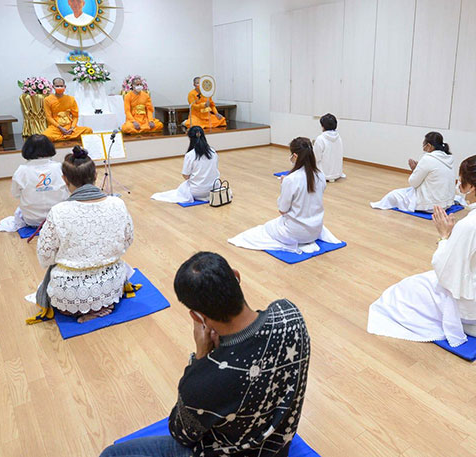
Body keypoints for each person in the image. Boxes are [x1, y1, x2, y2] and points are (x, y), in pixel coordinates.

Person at [99, 251, 310, 457]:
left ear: (197, 317)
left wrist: (200, 358)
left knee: (111, 454)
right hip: (278, 448)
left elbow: (181, 433)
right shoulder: (290, 315)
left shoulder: (203, 380)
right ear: (236, 276)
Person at [367, 155, 476, 346]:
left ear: (470, 187)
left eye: (461, 179)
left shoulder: (470, 225)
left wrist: (444, 235)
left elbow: (445, 270)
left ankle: (466, 322)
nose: (458, 183)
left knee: (401, 292)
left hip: (469, 307)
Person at [35, 146, 134, 321]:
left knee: (58, 291)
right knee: (123, 267)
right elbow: (127, 241)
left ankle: (85, 310)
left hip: (71, 293)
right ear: (95, 176)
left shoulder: (58, 211)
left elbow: (45, 257)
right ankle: (104, 303)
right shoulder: (117, 203)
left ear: (65, 179)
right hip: (111, 282)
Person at [229, 137, 340, 253]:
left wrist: (284, 185)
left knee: (266, 228)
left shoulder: (291, 180)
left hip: (295, 233)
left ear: (295, 156)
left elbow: (282, 210)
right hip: (316, 230)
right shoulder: (320, 175)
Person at [370, 131, 456, 212]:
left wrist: (415, 170)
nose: (424, 148)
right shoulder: (448, 158)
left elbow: (413, 183)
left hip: (430, 206)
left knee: (394, 195)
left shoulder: (428, 158)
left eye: (424, 145)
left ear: (429, 146)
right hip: (447, 204)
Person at [0, 135, 68, 232]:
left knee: (20, 210)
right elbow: (68, 190)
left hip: (32, 220)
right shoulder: (59, 167)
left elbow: (16, 194)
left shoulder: (21, 171)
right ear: (50, 148)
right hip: (59, 218)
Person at [151, 126, 221, 203]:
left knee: (182, 188)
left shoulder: (190, 155)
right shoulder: (213, 152)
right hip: (214, 188)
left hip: (196, 192)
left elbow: (185, 175)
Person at [41, 78, 92, 142]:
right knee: (45, 136)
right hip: (56, 128)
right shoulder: (47, 100)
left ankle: (65, 137)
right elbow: (49, 117)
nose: (59, 87)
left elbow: (75, 116)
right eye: (57, 86)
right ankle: (68, 137)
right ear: (53, 87)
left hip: (70, 127)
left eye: (61, 86)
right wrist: (60, 127)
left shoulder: (71, 99)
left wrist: (72, 128)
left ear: (65, 86)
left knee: (88, 130)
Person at [313, 113, 344, 182]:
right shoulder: (338, 137)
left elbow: (316, 158)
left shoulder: (320, 138)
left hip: (324, 175)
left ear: (323, 126)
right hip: (338, 173)